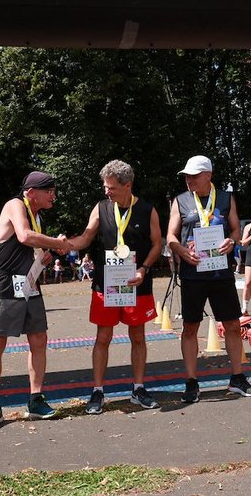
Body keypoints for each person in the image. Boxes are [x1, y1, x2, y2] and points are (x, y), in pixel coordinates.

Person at [68, 159, 164, 415]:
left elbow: (157, 244)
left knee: (138, 337)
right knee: (103, 337)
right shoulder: (100, 208)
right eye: (105, 186)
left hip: (137, 283)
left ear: (127, 185)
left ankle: (139, 388)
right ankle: (98, 391)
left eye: (111, 187)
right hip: (105, 285)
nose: (106, 191)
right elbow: (87, 237)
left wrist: (144, 268)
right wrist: (63, 245)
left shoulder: (147, 209)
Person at [0, 171, 72, 430]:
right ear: (31, 192)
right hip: (4, 283)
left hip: (29, 283)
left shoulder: (38, 216)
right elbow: (23, 236)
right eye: (48, 190)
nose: (53, 195)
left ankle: (35, 399)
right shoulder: (15, 205)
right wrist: (56, 243)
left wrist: (44, 258)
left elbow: (29, 248)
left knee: (39, 339)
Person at [166, 155, 251, 402]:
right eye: (186, 176)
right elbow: (170, 237)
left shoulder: (226, 198)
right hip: (192, 273)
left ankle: (237, 377)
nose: (188, 180)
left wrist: (233, 241)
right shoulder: (181, 200)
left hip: (221, 272)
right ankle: (191, 382)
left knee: (231, 324)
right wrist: (183, 251)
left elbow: (236, 231)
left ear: (208, 175)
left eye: (193, 176)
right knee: (190, 327)